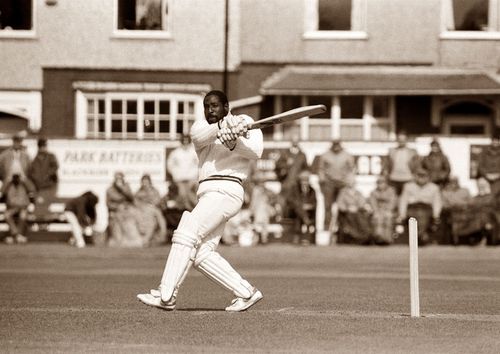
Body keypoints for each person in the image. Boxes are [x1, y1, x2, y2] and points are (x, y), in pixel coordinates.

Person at [137, 90, 264, 312]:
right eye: (206, 106)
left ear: (226, 106)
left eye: (215, 106)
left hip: (227, 188)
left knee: (186, 231)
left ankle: (167, 295)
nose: (210, 110)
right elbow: (200, 137)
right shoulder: (200, 127)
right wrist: (223, 128)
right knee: (202, 253)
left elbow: (256, 151)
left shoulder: (246, 122)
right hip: (208, 192)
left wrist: (236, 142)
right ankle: (246, 292)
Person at [317, 139, 355, 231]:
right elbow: (320, 169)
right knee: (327, 206)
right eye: (334, 144)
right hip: (329, 183)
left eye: (338, 144)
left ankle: (343, 229)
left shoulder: (347, 155)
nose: (336, 146)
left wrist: (350, 181)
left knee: (343, 206)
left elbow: (352, 169)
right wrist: (322, 181)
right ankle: (326, 228)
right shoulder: (325, 155)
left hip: (342, 183)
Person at [398, 168, 442, 244]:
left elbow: (437, 202)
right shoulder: (408, 186)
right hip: (412, 208)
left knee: (422, 215)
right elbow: (403, 201)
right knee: (416, 215)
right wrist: (402, 215)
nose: (421, 178)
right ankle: (421, 236)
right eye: (419, 175)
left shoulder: (434, 187)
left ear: (428, 177)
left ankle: (420, 235)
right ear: (416, 176)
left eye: (424, 176)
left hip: (426, 208)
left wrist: (436, 215)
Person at [106, 172, 142, 247]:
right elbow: (108, 204)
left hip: (127, 212)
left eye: (120, 178)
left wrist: (122, 189)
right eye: (117, 178)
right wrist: (117, 206)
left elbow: (131, 198)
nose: (118, 180)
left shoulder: (126, 187)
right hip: (116, 212)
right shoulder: (110, 190)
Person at [166, 134, 199, 212]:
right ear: (181, 142)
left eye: (187, 141)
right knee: (183, 195)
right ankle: (186, 211)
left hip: (191, 179)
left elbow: (199, 164)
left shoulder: (194, 152)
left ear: (189, 142)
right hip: (179, 179)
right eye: (184, 141)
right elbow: (170, 165)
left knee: (191, 196)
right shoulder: (176, 153)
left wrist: (195, 176)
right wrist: (175, 174)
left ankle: (193, 211)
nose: (185, 143)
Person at [0, 173, 36, 244]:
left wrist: (25, 180)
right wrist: (7, 181)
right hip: (12, 208)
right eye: (14, 178)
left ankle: (16, 236)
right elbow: (2, 191)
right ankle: (17, 235)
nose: (16, 180)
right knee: (7, 215)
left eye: (17, 178)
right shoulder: (9, 185)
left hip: (23, 207)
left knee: (23, 216)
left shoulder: (24, 185)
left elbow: (32, 189)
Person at [336, 178, 373, 245]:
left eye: (353, 182)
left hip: (357, 211)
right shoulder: (343, 192)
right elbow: (340, 203)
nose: (351, 183)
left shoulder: (358, 193)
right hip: (346, 213)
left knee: (361, 219)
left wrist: (356, 207)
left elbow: (362, 203)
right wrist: (347, 208)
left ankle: (364, 237)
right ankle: (355, 237)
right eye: (349, 182)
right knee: (351, 217)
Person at [135, 174, 167, 246]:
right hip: (144, 210)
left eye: (146, 182)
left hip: (154, 209)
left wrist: (152, 204)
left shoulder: (154, 190)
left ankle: (163, 236)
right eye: (143, 182)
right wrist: (144, 205)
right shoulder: (139, 192)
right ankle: (146, 240)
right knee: (151, 223)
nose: (145, 184)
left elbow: (158, 200)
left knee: (160, 219)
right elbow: (136, 202)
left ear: (150, 182)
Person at [368, 175, 398, 245]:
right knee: (378, 218)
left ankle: (387, 239)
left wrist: (388, 210)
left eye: (382, 183)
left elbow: (393, 202)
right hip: (378, 211)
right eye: (378, 183)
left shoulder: (391, 191)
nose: (380, 185)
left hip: (388, 210)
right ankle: (379, 238)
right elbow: (373, 203)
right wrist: (376, 211)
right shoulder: (373, 192)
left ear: (386, 183)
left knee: (388, 218)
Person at [476, 134, 500, 201]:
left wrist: (497, 175)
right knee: (486, 198)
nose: (496, 142)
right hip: (486, 179)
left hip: (498, 179)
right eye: (494, 140)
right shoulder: (484, 153)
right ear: (491, 141)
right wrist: (487, 175)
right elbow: (480, 166)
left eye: (498, 140)